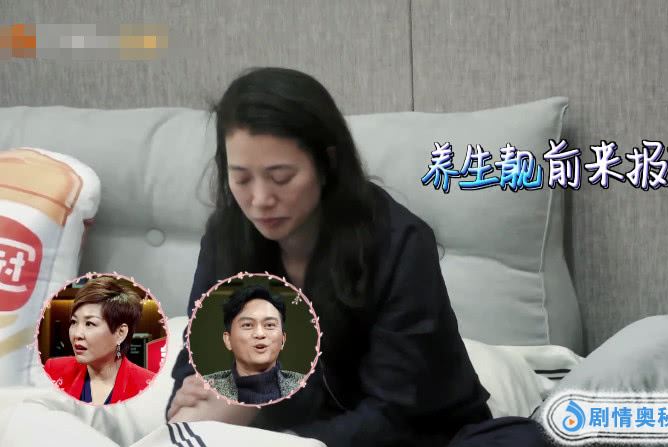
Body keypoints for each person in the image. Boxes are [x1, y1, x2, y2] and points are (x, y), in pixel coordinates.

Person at [167, 67, 548, 446]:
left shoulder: (399, 243)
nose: (260, 199)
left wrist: (285, 439)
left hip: (414, 436)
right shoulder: (227, 238)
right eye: (241, 178)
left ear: (327, 163)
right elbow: (197, 366)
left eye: (281, 177)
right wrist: (195, 406)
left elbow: (396, 412)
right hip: (283, 433)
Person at [44, 276, 155, 405]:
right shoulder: (54, 370)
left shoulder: (148, 385)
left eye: (89, 323)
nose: (77, 334)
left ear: (120, 333)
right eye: (74, 322)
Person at [200, 285, 304, 404]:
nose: (260, 334)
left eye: (269, 325)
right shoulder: (204, 390)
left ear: (283, 340)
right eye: (247, 325)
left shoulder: (306, 387)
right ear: (228, 340)